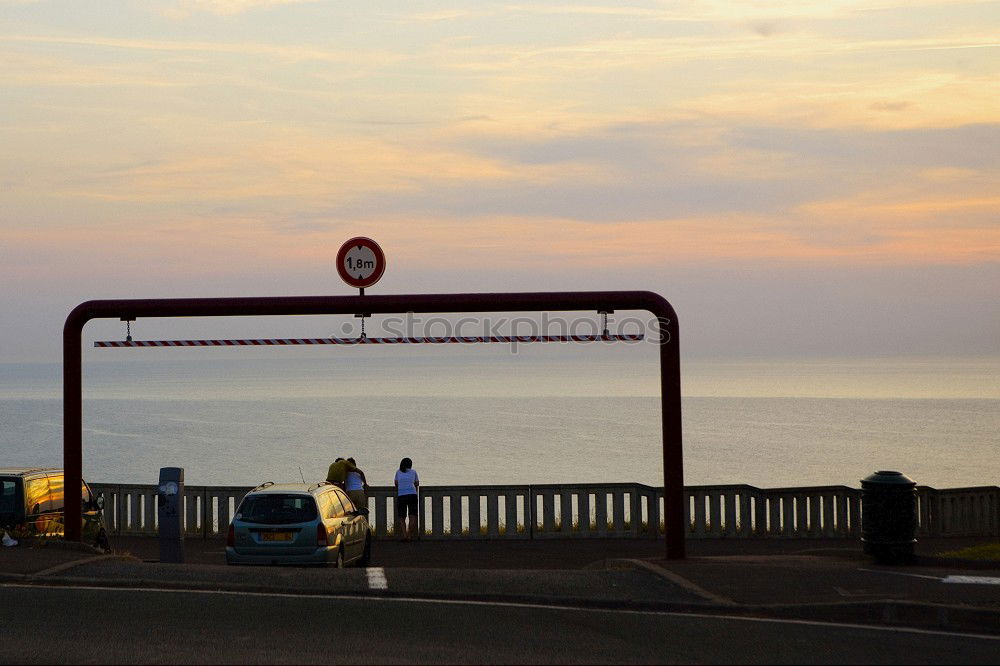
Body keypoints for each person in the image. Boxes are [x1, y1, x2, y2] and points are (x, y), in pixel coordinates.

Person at [394, 457, 419, 542]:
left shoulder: (398, 472)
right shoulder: (414, 472)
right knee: (412, 515)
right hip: (412, 494)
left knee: (402, 517)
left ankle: (405, 535)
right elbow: (417, 483)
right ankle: (409, 535)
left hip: (401, 495)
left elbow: (396, 483)